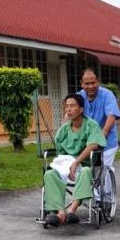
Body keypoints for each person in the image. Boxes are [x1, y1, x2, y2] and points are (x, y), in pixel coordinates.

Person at [43, 94, 107, 227]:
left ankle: (72, 210)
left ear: (81, 109)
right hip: (66, 167)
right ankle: (60, 213)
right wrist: (65, 164)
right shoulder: (63, 130)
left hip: (85, 166)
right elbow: (60, 152)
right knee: (49, 174)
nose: (69, 109)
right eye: (66, 106)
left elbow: (93, 145)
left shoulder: (91, 125)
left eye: (72, 106)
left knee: (84, 171)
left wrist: (76, 162)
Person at [78, 68, 120, 169]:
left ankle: (108, 183)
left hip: (107, 141)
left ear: (98, 81)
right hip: (87, 142)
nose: (90, 86)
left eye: (93, 83)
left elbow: (111, 116)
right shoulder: (79, 96)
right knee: (85, 169)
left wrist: (103, 134)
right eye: (87, 83)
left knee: (103, 167)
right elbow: (70, 113)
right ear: (81, 83)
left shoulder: (107, 95)